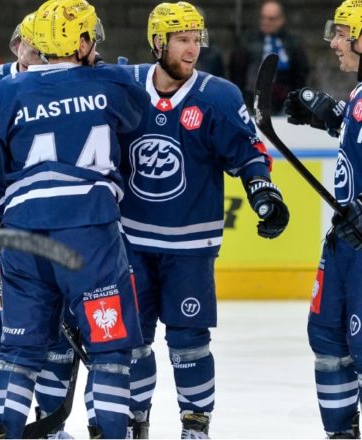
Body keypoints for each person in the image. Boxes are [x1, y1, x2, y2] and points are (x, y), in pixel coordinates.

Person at [0, 0, 148, 438]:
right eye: (91, 37)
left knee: (18, 352)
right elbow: (136, 116)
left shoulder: (6, 91)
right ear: (82, 42)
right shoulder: (111, 82)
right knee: (109, 351)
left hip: (23, 236)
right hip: (90, 236)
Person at [117, 2, 289, 438]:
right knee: (131, 340)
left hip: (190, 246)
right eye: (182, 40)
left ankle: (195, 422)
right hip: (130, 242)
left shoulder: (218, 96)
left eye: (196, 39)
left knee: (189, 341)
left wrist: (262, 191)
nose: (192, 49)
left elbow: (247, 154)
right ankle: (135, 417)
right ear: (157, 42)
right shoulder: (125, 86)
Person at [0, 12, 76, 439]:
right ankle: (0, 422)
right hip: (0, 228)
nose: (36, 51)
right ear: (16, 44)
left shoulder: (67, 83)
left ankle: (51, 424)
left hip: (51, 227)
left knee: (58, 330)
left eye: (43, 44)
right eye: (29, 43)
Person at [284, 0, 362, 438]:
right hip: (345, 241)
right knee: (327, 336)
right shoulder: (360, 93)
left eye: (343, 33)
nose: (334, 42)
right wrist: (331, 113)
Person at [228, 0, 309, 114]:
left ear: (281, 20)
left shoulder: (293, 44)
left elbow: (300, 74)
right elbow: (236, 73)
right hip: (252, 100)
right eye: (263, 18)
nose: (265, 22)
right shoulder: (247, 42)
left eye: (271, 19)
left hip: (285, 101)